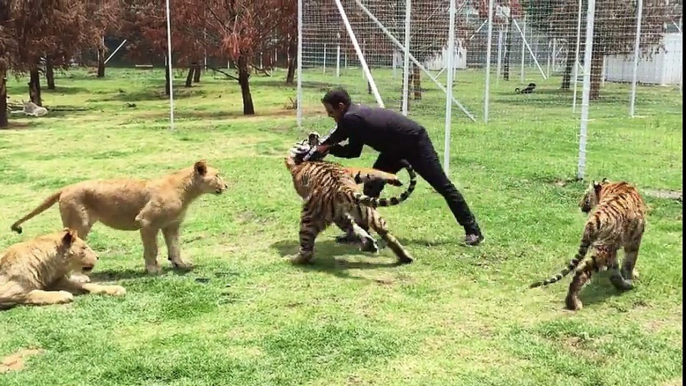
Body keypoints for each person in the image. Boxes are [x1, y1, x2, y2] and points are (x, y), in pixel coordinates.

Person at [310, 87, 484, 246]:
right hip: (393, 149)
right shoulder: (352, 115)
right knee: (372, 185)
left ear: (341, 106)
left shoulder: (351, 118)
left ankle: (473, 231)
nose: (329, 115)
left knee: (442, 186)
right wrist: (325, 148)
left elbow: (352, 152)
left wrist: (328, 150)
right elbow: (334, 139)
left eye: (330, 111)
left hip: (415, 143)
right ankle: (360, 233)